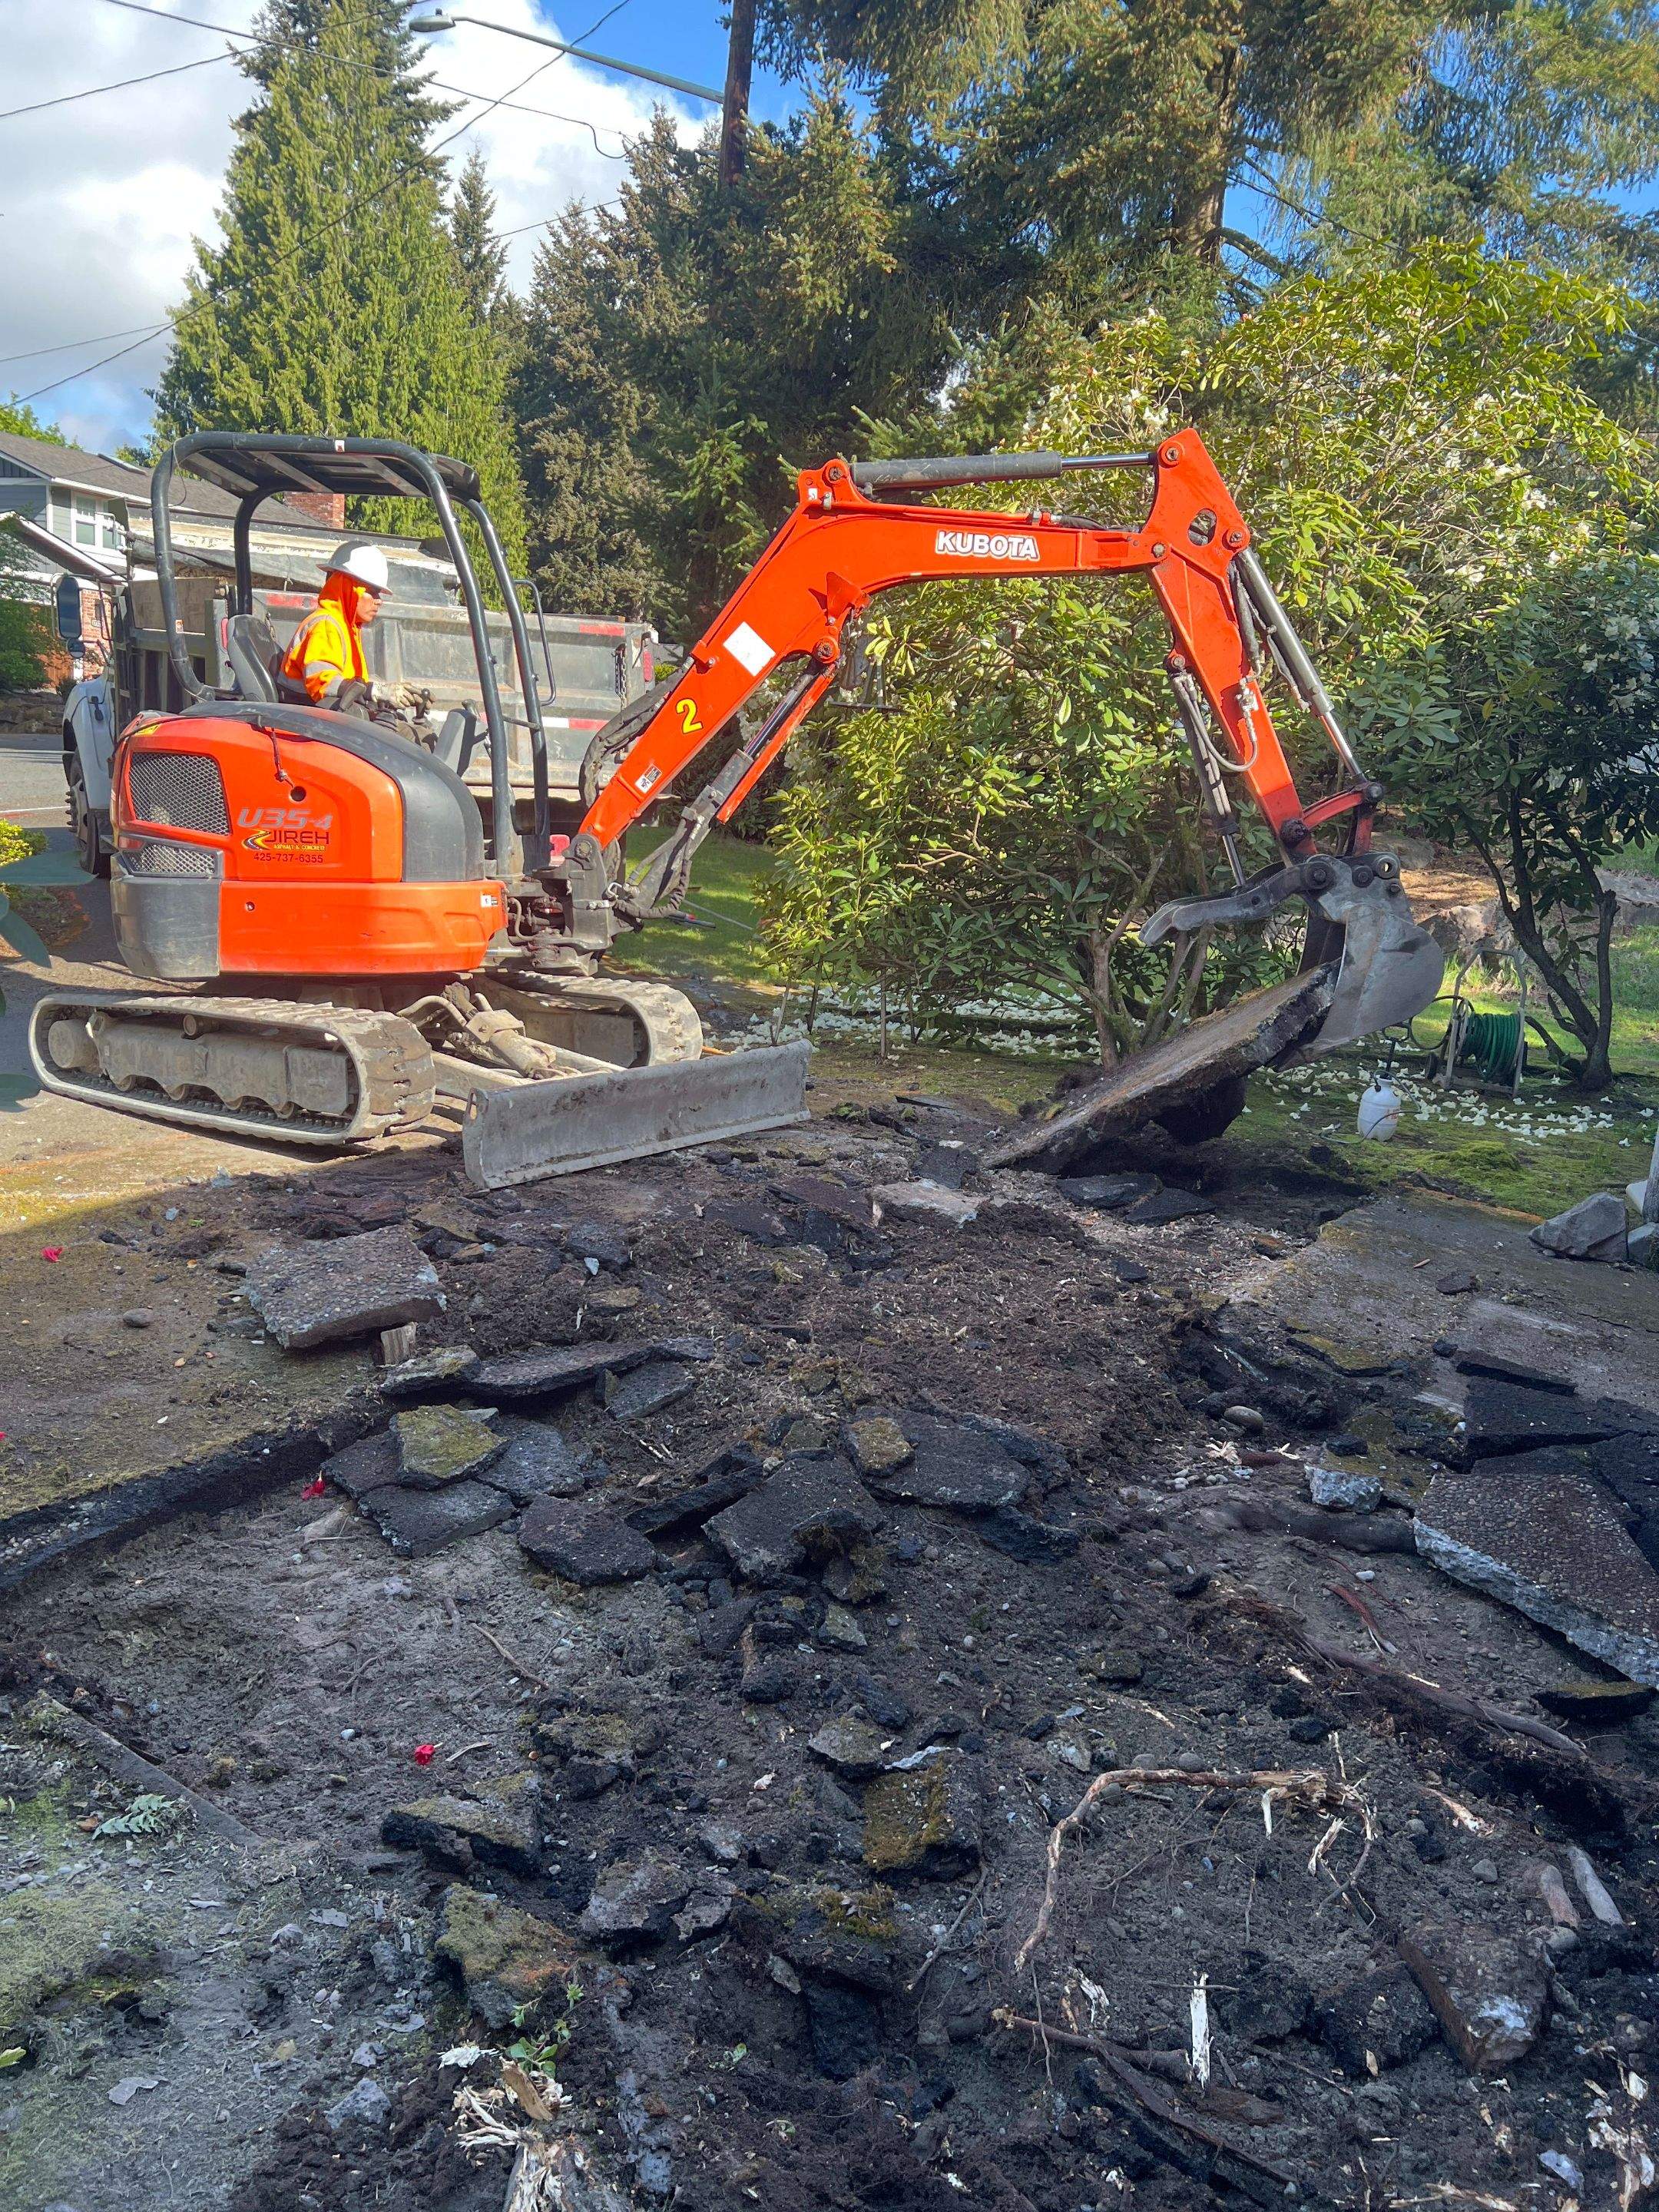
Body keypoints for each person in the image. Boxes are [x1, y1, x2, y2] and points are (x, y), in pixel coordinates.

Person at [280, 539, 426, 716]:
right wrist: (376, 691)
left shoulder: (347, 628)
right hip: (310, 719)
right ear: (348, 589)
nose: (379, 600)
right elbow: (323, 682)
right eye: (371, 591)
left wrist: (385, 690)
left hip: (329, 715)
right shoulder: (326, 625)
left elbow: (351, 682)